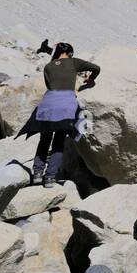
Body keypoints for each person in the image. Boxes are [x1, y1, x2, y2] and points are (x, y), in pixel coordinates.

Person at [17, 42, 100, 186]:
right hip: (65, 106)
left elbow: (50, 86)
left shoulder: (48, 67)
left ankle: (37, 174)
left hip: (47, 105)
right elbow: (96, 68)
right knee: (59, 142)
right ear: (70, 54)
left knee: (44, 140)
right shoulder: (73, 62)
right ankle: (50, 177)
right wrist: (90, 79)